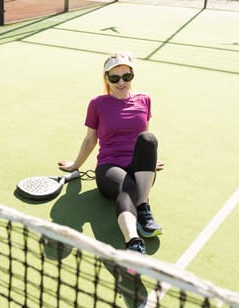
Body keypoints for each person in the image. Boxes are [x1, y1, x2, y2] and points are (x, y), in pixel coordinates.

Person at [58, 52, 163, 255]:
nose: (121, 82)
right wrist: (75, 166)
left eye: (126, 76)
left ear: (132, 76)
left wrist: (149, 162)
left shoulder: (145, 100)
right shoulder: (97, 104)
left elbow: (143, 134)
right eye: (115, 78)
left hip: (136, 166)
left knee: (149, 140)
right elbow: (90, 140)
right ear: (106, 78)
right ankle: (133, 242)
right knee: (127, 186)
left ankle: (142, 206)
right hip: (109, 168)